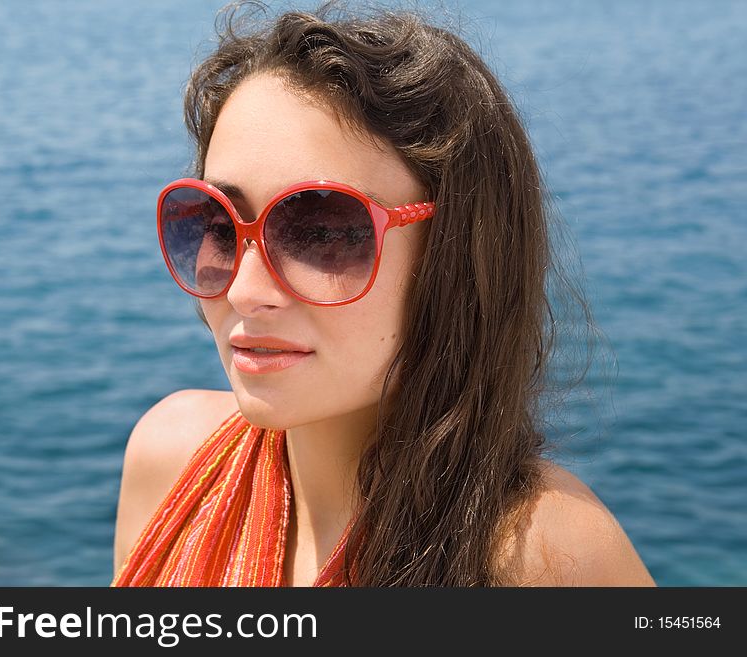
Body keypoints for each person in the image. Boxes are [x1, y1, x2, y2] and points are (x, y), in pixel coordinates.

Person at [111, 1, 656, 587]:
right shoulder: (171, 467)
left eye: (322, 232)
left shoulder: (545, 558)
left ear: (456, 255)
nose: (246, 291)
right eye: (218, 225)